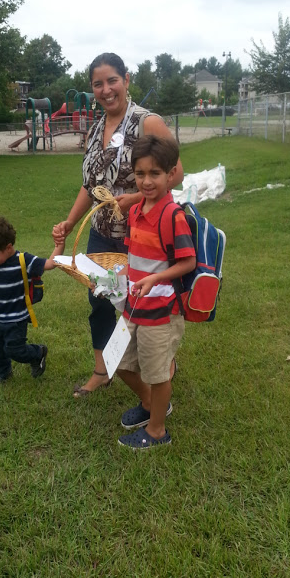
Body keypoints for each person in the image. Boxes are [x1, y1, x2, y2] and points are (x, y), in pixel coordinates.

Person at [52, 52, 184, 397]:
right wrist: (70, 222)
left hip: (141, 235)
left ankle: (161, 366)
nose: (106, 89)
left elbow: (175, 173)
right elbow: (90, 186)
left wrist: (137, 199)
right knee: (99, 300)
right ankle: (103, 370)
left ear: (126, 80)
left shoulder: (146, 122)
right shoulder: (96, 128)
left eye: (112, 80)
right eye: (98, 84)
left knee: (142, 303)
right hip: (101, 233)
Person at [115, 135, 196, 449]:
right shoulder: (135, 211)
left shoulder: (173, 216)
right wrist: (113, 279)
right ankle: (150, 403)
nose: (146, 181)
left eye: (155, 173)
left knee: (158, 374)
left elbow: (188, 262)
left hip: (161, 312)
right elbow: (132, 257)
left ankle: (157, 430)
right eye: (140, 174)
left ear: (171, 174)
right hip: (134, 305)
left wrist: (156, 278)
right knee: (119, 361)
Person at [0, 215, 65, 387]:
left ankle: (38, 353)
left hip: (16, 319)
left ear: (8, 248)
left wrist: (59, 244)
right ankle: (2, 373)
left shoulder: (23, 260)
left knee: (15, 350)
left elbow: (50, 264)